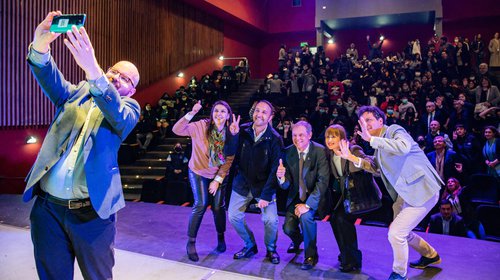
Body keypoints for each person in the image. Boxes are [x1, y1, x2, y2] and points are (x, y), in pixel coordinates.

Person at [23, 11, 140, 279]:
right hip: (48, 210)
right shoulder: (77, 93)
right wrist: (40, 45)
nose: (115, 78)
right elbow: (49, 77)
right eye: (114, 71)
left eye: (125, 79)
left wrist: (95, 71)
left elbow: (119, 117)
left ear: (131, 91)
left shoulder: (129, 108)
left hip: (92, 216)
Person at [356, 106, 443, 280]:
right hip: (404, 194)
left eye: (369, 120)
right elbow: (378, 169)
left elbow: (403, 147)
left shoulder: (394, 130)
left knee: (396, 233)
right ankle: (430, 255)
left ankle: (399, 273)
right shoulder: (378, 144)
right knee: (401, 231)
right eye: (363, 122)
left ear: (381, 121)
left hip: (422, 189)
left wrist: (371, 140)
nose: (366, 125)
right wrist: (352, 158)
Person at [172, 100, 240, 261]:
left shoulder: (231, 131)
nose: (219, 114)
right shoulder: (201, 126)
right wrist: (192, 112)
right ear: (212, 113)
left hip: (219, 173)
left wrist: (217, 180)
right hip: (198, 171)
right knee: (201, 204)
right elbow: (177, 130)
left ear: (228, 115)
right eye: (216, 110)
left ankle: (221, 237)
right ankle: (191, 242)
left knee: (218, 207)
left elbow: (229, 159)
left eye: (223, 111)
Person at [228, 100, 283, 264]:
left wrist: (266, 195)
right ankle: (250, 244)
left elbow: (275, 169)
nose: (259, 114)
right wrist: (233, 136)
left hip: (264, 186)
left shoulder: (275, 138)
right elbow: (229, 153)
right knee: (233, 216)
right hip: (243, 183)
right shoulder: (242, 130)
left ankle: (271, 249)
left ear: (271, 116)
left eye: (264, 112)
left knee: (271, 220)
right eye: (257, 110)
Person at [326, 124, 379, 272]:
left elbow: (372, 166)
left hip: (361, 198)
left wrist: (351, 157)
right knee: (334, 219)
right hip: (346, 198)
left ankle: (352, 259)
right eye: (328, 136)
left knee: (342, 220)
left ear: (342, 138)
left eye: (333, 136)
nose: (330, 140)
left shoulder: (353, 149)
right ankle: (346, 254)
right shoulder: (330, 154)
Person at [276, 121, 329, 270]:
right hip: (295, 198)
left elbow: (322, 182)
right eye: (294, 135)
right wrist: (281, 177)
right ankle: (298, 240)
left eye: (301, 135)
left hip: (313, 198)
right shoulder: (288, 152)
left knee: (306, 217)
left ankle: (311, 255)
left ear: (310, 135)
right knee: (287, 228)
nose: (297, 138)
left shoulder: (319, 152)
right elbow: (286, 185)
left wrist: (307, 205)